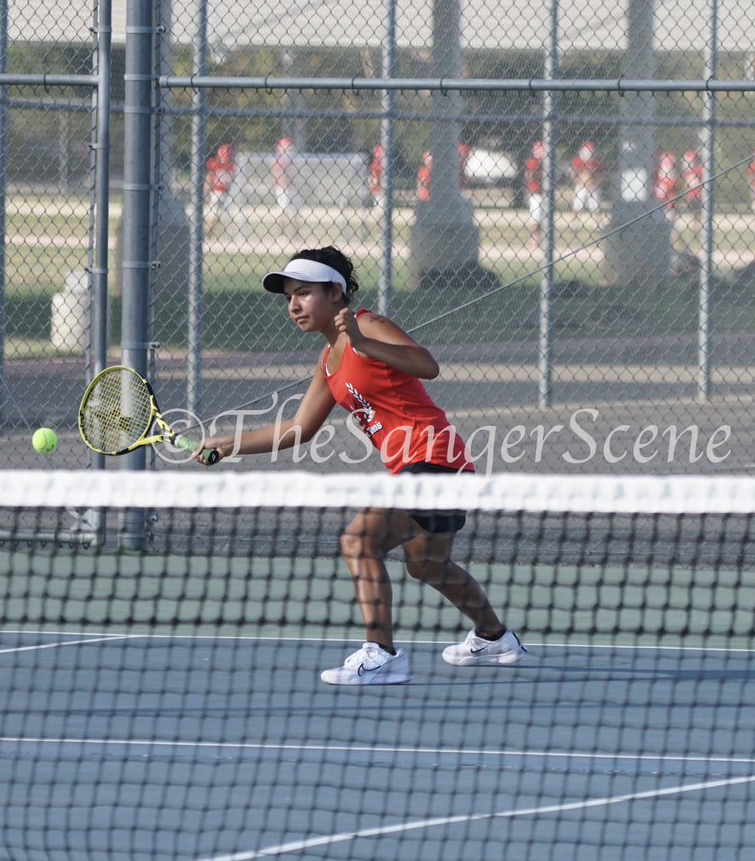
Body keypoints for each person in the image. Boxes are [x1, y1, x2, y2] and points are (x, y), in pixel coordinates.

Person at [193, 246, 526, 686]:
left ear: (335, 293)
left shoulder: (367, 325)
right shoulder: (328, 360)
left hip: (433, 459)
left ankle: (382, 653)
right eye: (289, 296)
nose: (294, 305)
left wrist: (366, 344)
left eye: (304, 293)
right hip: (422, 466)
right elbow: (299, 427)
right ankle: (495, 637)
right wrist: (229, 444)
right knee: (426, 565)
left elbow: (428, 365)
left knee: (358, 540)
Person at [204, 143, 237, 236]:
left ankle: (211, 232)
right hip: (216, 192)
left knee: (223, 216)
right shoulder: (215, 163)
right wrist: (206, 192)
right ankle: (208, 233)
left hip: (227, 194)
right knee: (214, 214)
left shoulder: (232, 166)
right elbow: (209, 179)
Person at [272, 136, 302, 231]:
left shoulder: (293, 160)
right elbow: (279, 178)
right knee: (282, 211)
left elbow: (295, 176)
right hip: (282, 188)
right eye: (286, 149)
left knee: (295, 212)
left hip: (292, 187)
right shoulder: (277, 161)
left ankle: (295, 234)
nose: (289, 152)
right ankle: (282, 233)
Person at [569, 140, 603, 215]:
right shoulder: (578, 161)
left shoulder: (596, 162)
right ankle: (574, 225)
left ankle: (598, 225)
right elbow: (573, 175)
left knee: (596, 208)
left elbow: (600, 175)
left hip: (593, 186)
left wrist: (595, 183)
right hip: (581, 186)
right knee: (577, 208)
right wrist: (581, 182)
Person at [523, 140, 546, 247]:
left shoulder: (545, 163)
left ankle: (538, 239)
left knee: (541, 218)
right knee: (535, 217)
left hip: (543, 193)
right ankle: (533, 238)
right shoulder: (533, 162)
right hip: (535, 193)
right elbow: (531, 176)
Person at [652, 150, 680, 224]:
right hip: (659, 206)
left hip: (669, 206)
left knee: (670, 218)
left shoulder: (673, 181)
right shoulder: (658, 178)